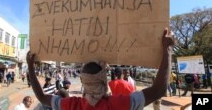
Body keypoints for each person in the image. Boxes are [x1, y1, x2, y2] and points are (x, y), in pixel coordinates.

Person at [27, 28, 174, 110]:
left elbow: (41, 97)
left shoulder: (72, 105)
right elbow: (158, 91)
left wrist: (30, 67)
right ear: (104, 81)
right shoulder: (118, 104)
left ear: (84, 83)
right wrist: (167, 50)